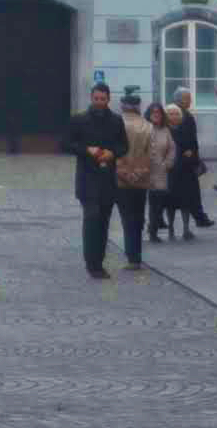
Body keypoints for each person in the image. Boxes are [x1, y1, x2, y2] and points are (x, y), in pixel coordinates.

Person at [69, 81, 129, 279]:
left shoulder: (116, 120)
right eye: (96, 98)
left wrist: (113, 153)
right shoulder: (79, 120)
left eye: (103, 99)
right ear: (91, 98)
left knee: (103, 222)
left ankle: (99, 262)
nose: (99, 102)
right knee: (91, 219)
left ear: (108, 99)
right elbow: (66, 144)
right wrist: (87, 150)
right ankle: (91, 263)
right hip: (87, 179)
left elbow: (124, 146)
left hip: (107, 180)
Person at [111, 98, 162, 271]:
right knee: (138, 216)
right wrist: (139, 172)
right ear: (138, 107)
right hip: (141, 180)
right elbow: (153, 155)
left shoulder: (116, 124)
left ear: (122, 106)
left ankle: (131, 256)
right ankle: (136, 256)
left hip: (120, 179)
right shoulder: (148, 126)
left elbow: (112, 151)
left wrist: (123, 172)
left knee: (127, 217)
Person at [164, 94, 210, 237]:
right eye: (170, 114)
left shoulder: (186, 126)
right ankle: (171, 228)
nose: (174, 116)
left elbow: (193, 147)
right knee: (170, 202)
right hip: (170, 170)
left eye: (176, 114)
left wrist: (193, 156)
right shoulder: (163, 130)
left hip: (185, 170)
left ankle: (185, 229)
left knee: (186, 201)